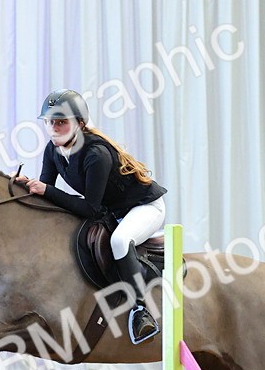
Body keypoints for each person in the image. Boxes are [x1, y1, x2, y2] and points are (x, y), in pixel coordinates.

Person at [15, 89, 168, 344]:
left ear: (80, 124)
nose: (54, 128)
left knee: (119, 241)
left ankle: (141, 310)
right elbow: (46, 192)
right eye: (50, 122)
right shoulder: (52, 152)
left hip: (144, 207)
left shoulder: (96, 154)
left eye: (62, 122)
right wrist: (23, 186)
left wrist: (47, 190)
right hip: (113, 211)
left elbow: (91, 209)